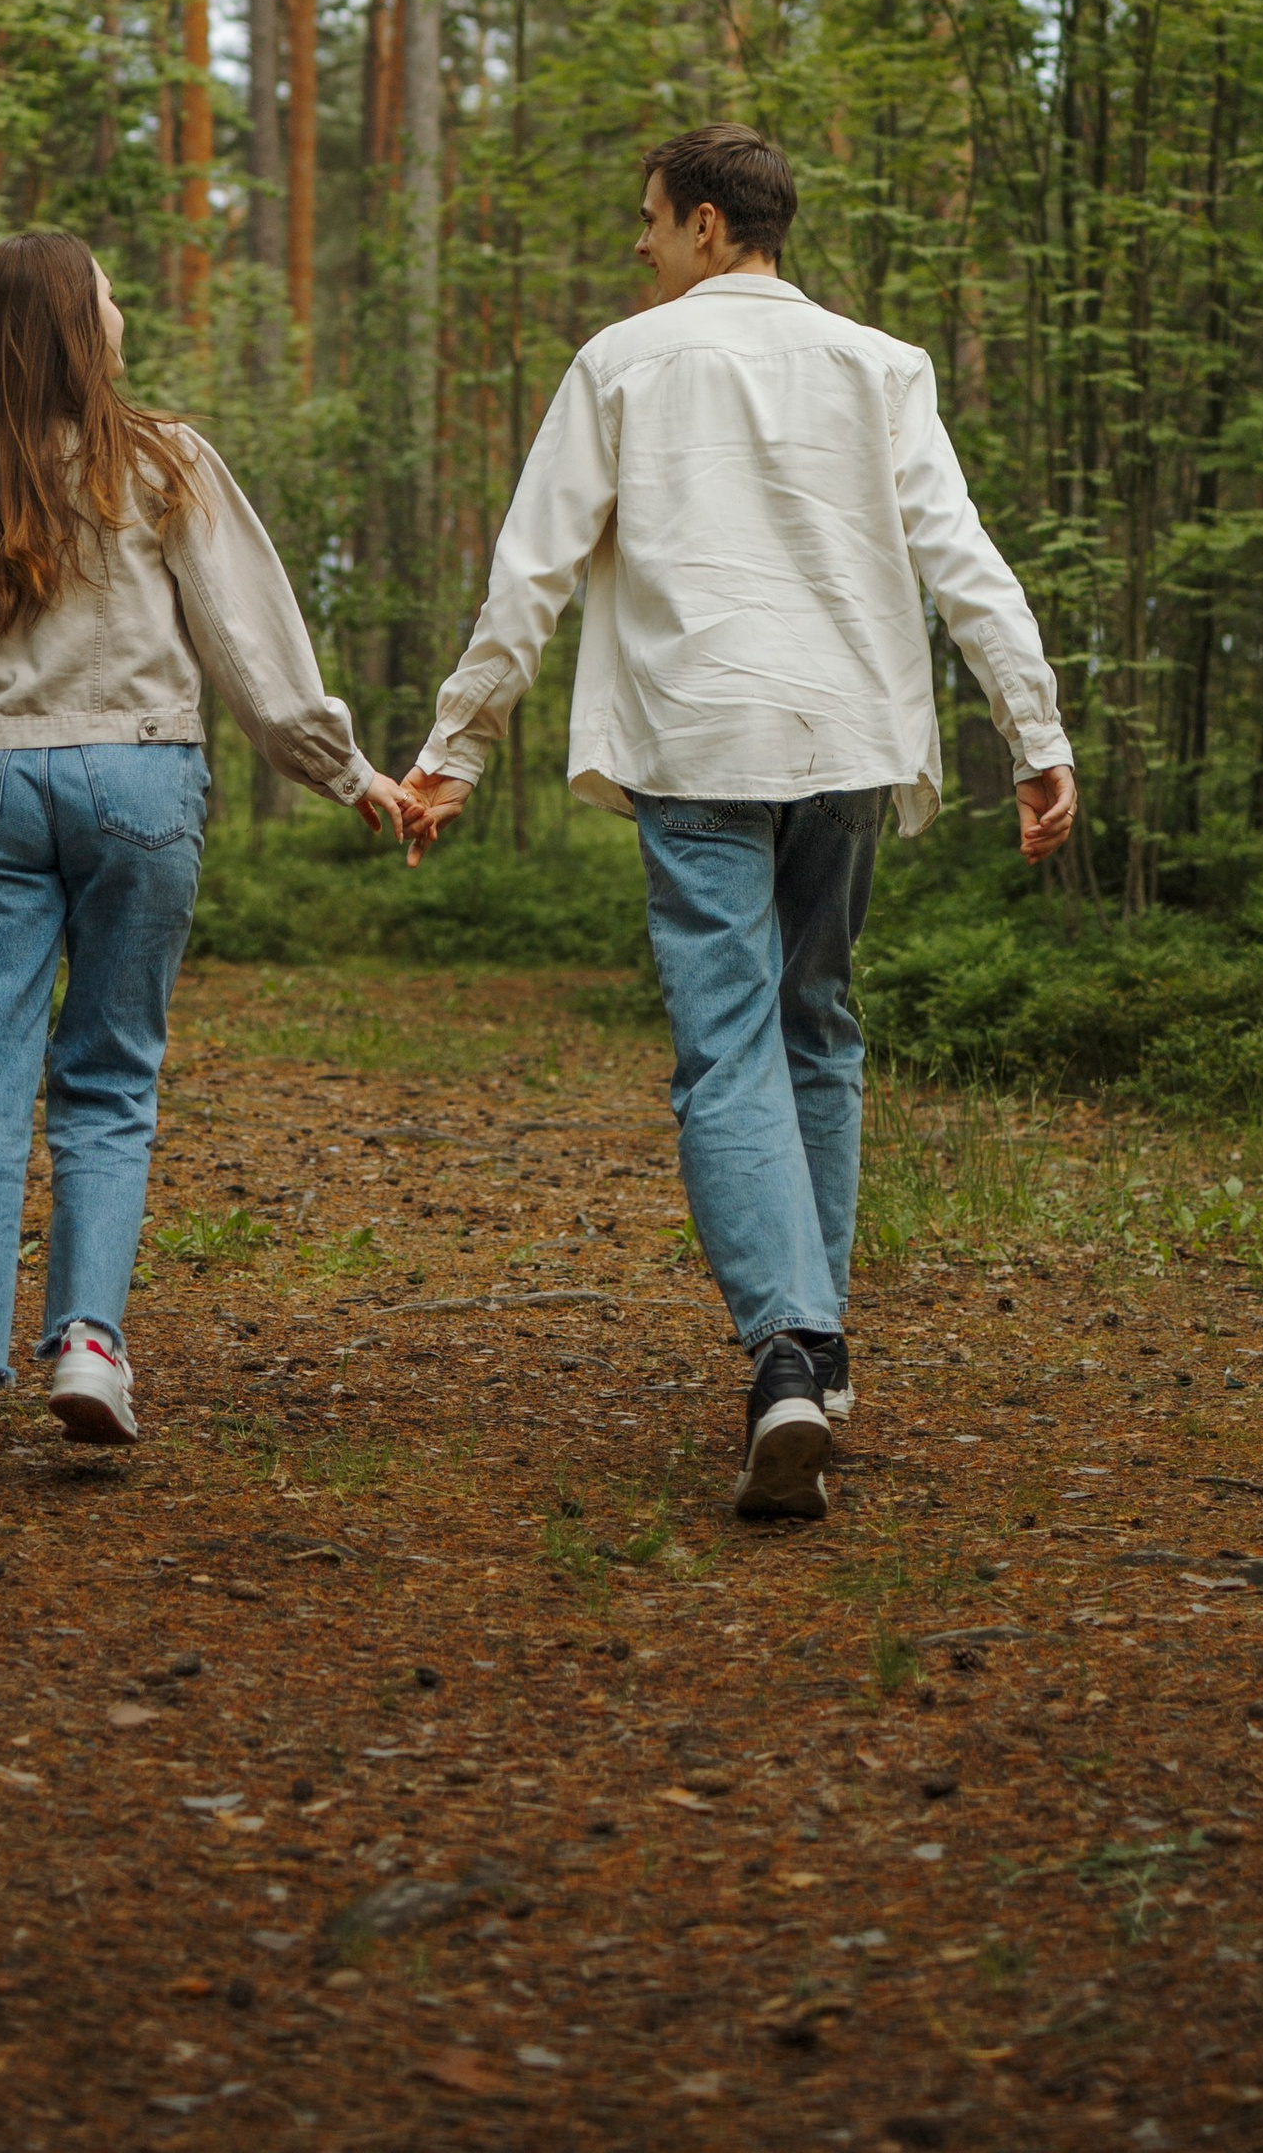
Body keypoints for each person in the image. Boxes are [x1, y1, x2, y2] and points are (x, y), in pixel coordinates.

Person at [399, 127, 1075, 1521]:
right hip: (845, 741)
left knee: (728, 1043)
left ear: (710, 226)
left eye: (648, 220)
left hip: (699, 740)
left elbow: (532, 572)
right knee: (815, 1022)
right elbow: (964, 561)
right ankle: (818, 1363)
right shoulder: (881, 367)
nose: (636, 247)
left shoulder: (624, 363)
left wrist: (457, 747)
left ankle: (784, 1347)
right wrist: (1036, 731)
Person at [0, 228, 402, 1497]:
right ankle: (89, 1350)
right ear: (67, 325)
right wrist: (347, 772)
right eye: (106, 294)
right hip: (143, 776)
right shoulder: (158, 458)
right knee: (107, 1077)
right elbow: (249, 646)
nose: (121, 309)